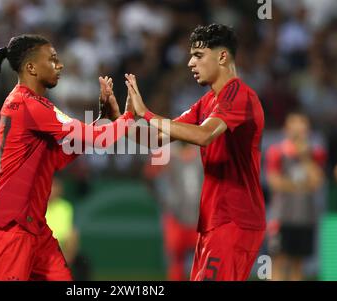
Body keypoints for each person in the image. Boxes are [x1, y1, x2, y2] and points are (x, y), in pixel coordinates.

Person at [0, 34, 133, 281]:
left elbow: (59, 156)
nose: (59, 65)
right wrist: (130, 116)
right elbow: (99, 139)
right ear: (31, 67)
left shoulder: (35, 106)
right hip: (11, 225)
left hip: (34, 227)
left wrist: (103, 120)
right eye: (52, 60)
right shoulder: (29, 105)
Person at [124, 24, 266, 281]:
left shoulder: (238, 94)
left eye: (198, 55)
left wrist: (146, 112)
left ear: (222, 56)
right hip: (212, 221)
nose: (190, 63)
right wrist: (122, 119)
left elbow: (203, 135)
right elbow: (154, 139)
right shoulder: (207, 102)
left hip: (234, 218)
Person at [266, 112, 325, 281]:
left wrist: (305, 156)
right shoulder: (277, 152)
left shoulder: (315, 153)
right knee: (278, 261)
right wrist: (302, 186)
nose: (299, 132)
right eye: (295, 127)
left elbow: (317, 181)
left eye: (303, 128)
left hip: (305, 216)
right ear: (287, 129)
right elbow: (275, 182)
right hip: (282, 216)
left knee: (298, 263)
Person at [144, 142, 202, 280]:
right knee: (176, 264)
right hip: (176, 217)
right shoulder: (168, 152)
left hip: (201, 218)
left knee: (204, 265)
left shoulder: (203, 149)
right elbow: (148, 175)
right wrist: (163, 200)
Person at [46, 177, 91, 280]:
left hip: (60, 249)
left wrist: (67, 255)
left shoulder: (66, 207)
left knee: (83, 261)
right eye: (51, 186)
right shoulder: (38, 205)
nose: (53, 190)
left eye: (55, 187)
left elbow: (70, 233)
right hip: (42, 248)